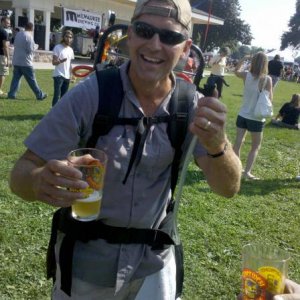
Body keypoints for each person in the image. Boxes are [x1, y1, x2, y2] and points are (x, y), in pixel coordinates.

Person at [9, 0, 242, 299]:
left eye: (169, 37)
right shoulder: (92, 93)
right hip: (88, 266)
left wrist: (218, 144)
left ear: (185, 49)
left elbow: (228, 188)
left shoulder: (191, 107)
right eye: (145, 31)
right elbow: (20, 174)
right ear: (130, 35)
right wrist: (39, 180)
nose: (155, 45)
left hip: (154, 267)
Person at [234, 52, 273, 180]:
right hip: (256, 118)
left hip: (242, 114)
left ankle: (236, 168)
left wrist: (244, 58)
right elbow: (270, 99)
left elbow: (236, 70)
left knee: (238, 143)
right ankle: (247, 172)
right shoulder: (267, 79)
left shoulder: (246, 75)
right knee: (255, 146)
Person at [7, 22, 47, 101]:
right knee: (32, 80)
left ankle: (11, 94)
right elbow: (30, 50)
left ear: (25, 27)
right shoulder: (29, 36)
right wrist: (36, 46)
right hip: (26, 62)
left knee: (15, 79)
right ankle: (40, 95)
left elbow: (16, 45)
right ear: (32, 28)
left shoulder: (18, 34)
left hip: (17, 61)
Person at [51, 29, 74, 106]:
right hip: (58, 75)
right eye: (67, 36)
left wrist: (71, 75)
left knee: (64, 98)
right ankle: (53, 113)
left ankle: (60, 114)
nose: (68, 38)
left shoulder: (71, 50)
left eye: (70, 37)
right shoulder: (57, 47)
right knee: (57, 96)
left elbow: (70, 64)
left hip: (67, 76)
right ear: (63, 37)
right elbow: (53, 62)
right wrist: (61, 61)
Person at [0, 16, 11, 97]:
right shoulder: (4, 32)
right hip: (1, 55)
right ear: (2, 22)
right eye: (7, 23)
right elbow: (5, 46)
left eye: (9, 23)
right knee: (2, 74)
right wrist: (8, 58)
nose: (8, 25)